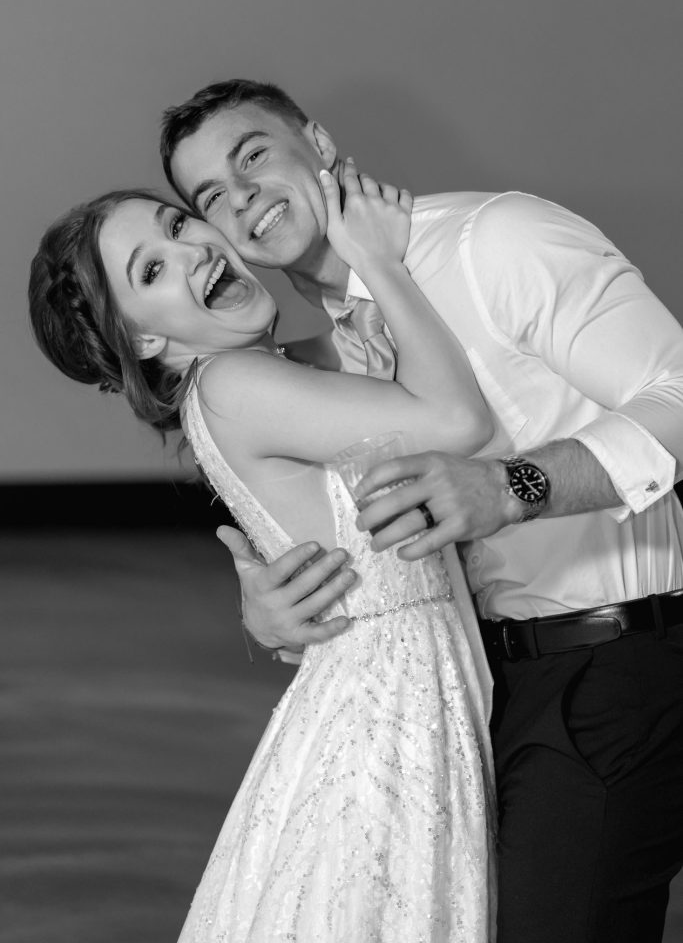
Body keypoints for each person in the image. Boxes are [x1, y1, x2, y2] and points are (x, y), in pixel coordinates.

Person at [159, 78, 683, 943]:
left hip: (619, 660)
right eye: (211, 195)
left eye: (253, 155)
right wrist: (286, 611)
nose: (241, 196)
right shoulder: (331, 347)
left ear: (318, 145)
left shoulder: (493, 242)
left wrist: (514, 487)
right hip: (476, 696)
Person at [29, 165, 498, 941]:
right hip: (388, 708)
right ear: (144, 338)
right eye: (150, 270)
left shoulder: (264, 373)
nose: (189, 251)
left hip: (398, 684)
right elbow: (453, 421)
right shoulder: (233, 384)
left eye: (177, 225)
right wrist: (376, 259)